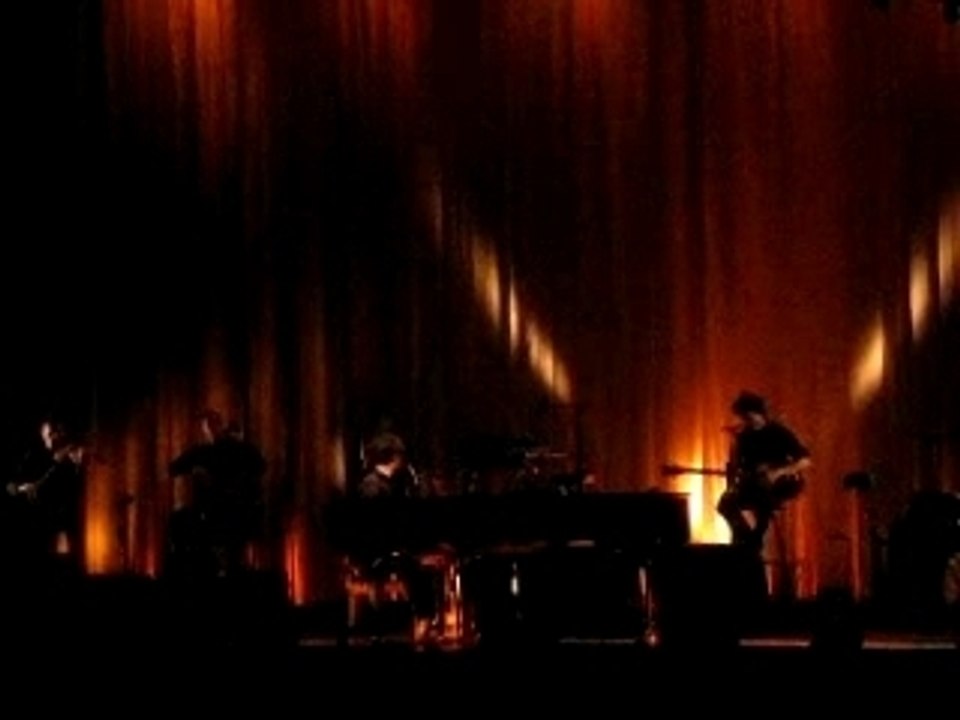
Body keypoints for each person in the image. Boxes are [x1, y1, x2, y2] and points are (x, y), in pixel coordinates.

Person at [168, 409, 266, 577]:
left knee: (187, 525)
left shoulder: (222, 451)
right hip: (227, 512)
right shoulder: (212, 451)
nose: (208, 430)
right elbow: (174, 468)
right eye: (206, 426)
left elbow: (260, 467)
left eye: (210, 426)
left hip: (225, 512)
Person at [717, 392, 811, 551]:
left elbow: (805, 460)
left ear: (754, 413)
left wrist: (779, 472)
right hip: (756, 483)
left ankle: (754, 539)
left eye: (744, 415)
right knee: (726, 503)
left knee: (757, 497)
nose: (742, 419)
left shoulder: (778, 432)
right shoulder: (745, 436)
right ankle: (748, 537)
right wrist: (735, 443)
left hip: (782, 482)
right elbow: (744, 467)